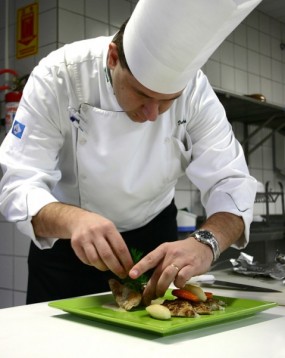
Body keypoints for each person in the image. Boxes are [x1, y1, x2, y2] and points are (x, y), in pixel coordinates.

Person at [0, 0, 259, 304]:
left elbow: (231, 181)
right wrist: (74, 220)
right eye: (142, 95)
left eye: (167, 102)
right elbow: (18, 183)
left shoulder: (196, 93)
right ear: (113, 58)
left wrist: (206, 241)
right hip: (67, 246)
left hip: (153, 247)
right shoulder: (59, 75)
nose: (152, 115)